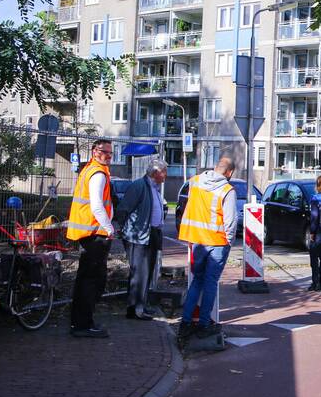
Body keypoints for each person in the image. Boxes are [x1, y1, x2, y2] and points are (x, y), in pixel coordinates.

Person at [178, 157, 238, 342]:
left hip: (197, 240)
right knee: (211, 283)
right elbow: (230, 220)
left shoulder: (195, 182)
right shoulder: (227, 190)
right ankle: (204, 323)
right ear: (229, 173)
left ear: (214, 168)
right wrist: (229, 241)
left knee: (197, 281)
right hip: (217, 242)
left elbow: (187, 208)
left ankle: (185, 323)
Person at [66, 139, 116, 338]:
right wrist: (109, 228)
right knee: (92, 281)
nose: (109, 156)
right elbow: (97, 206)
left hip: (88, 233)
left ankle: (80, 322)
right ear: (95, 152)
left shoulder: (89, 169)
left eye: (111, 153)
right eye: (106, 152)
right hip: (95, 233)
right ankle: (83, 325)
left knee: (86, 279)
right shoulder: (97, 173)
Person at [114, 158, 168, 320]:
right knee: (140, 272)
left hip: (150, 234)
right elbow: (123, 209)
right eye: (164, 171)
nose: (166, 175)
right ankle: (136, 309)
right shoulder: (139, 186)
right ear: (156, 173)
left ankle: (141, 305)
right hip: (139, 236)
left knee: (147, 272)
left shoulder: (154, 187)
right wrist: (125, 230)